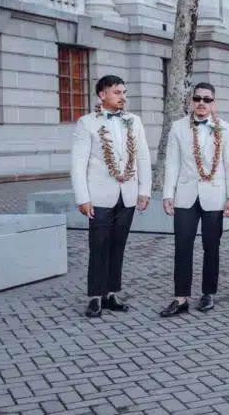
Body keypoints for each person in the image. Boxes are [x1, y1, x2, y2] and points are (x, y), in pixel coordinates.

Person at [70, 75, 152, 318]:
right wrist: (82, 198)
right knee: (98, 245)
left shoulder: (134, 121)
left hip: (127, 195)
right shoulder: (87, 123)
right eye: (117, 92)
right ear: (102, 95)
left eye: (124, 92)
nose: (122, 97)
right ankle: (95, 296)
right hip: (99, 197)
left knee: (118, 246)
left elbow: (144, 157)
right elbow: (78, 163)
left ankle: (111, 293)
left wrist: (144, 191)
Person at [159, 83, 229, 317]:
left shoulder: (226, 129)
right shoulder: (178, 127)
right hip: (185, 195)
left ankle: (208, 294)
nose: (201, 103)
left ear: (214, 103)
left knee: (211, 247)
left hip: (215, 194)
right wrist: (167, 194)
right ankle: (181, 297)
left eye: (206, 99)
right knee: (182, 247)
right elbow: (171, 163)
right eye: (197, 98)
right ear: (191, 101)